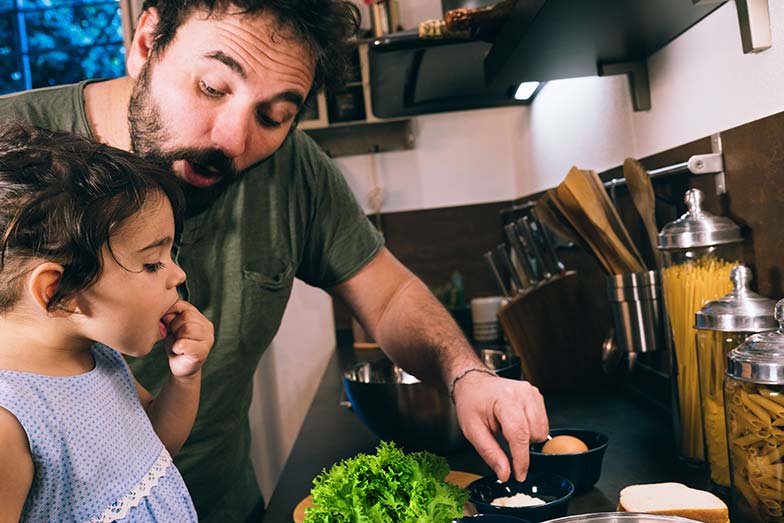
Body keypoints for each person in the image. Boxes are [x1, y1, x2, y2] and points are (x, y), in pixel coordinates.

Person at [0, 0, 550, 520]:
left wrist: (467, 375)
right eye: (212, 88)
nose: (233, 140)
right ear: (146, 42)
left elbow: (388, 295)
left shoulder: (292, 171)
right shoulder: (13, 157)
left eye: (274, 115)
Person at [0, 121, 214, 521]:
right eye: (152, 263)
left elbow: (153, 447)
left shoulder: (97, 355)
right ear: (59, 292)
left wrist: (184, 378)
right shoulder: (11, 420)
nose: (178, 275)